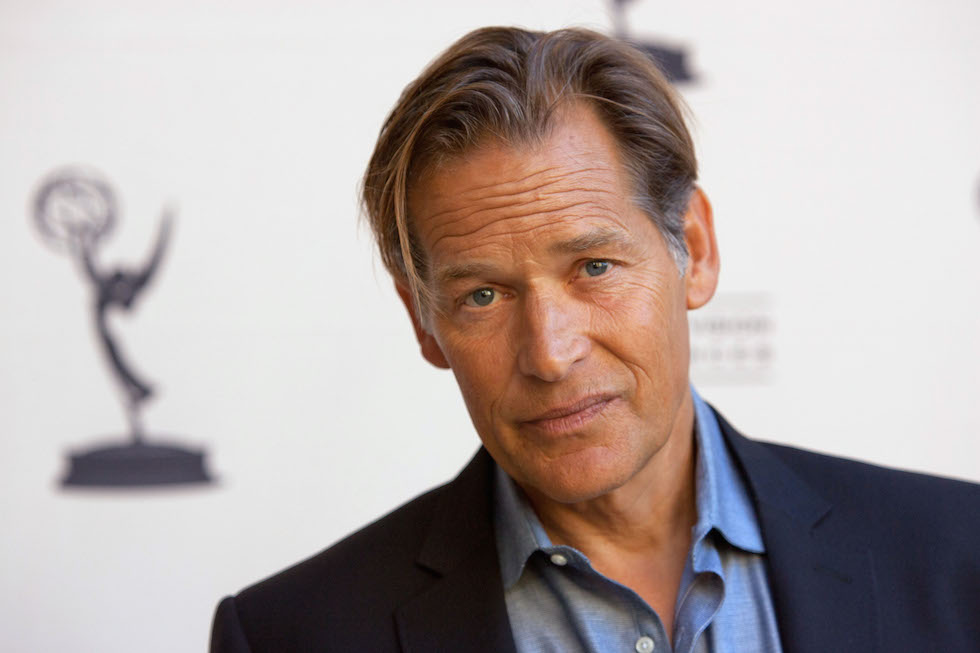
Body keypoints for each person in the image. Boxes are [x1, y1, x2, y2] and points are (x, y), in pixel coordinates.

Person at [210, 26, 980, 653]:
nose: (550, 353)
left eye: (594, 266)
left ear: (695, 251)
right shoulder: (292, 636)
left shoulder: (957, 558)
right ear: (424, 321)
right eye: (483, 295)